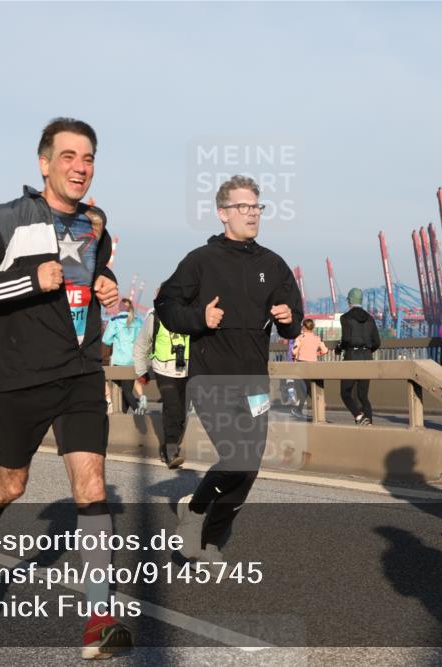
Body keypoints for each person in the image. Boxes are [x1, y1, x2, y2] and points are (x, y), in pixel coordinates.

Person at [0, 117, 130, 658]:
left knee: (92, 487)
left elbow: (88, 285)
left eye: (89, 157)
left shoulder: (96, 226)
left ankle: (100, 616)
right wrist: (29, 279)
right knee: (11, 484)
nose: (81, 167)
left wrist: (106, 287)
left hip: (80, 373)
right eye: (69, 156)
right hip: (20, 377)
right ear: (44, 162)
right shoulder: (0, 220)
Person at [156, 174, 303, 565]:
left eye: (256, 206)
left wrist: (288, 319)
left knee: (249, 467)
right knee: (235, 457)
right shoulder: (200, 262)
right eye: (243, 207)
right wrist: (198, 317)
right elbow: (166, 306)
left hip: (254, 382)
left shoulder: (273, 264)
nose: (252, 214)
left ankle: (210, 539)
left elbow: (292, 317)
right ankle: (197, 511)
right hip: (210, 378)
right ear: (222, 213)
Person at [133, 307, 189, 468]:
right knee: (173, 407)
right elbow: (141, 345)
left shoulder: (189, 314)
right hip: (163, 370)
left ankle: (168, 447)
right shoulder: (155, 317)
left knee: (182, 411)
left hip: (187, 370)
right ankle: (171, 452)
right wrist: (141, 370)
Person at [336, 288, 381, 426]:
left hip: (351, 356)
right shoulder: (370, 318)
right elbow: (377, 342)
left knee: (345, 392)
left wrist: (339, 348)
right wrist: (367, 351)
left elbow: (346, 339)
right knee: (363, 395)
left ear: (349, 300)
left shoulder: (345, 318)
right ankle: (370, 423)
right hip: (367, 357)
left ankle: (359, 416)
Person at [102, 298, 144, 414]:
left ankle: (138, 410)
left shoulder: (114, 321)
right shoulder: (139, 321)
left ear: (120, 307)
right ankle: (124, 416)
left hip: (119, 361)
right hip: (133, 360)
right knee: (127, 391)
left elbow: (106, 340)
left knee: (123, 391)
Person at [290, 318, 328, 418]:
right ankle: (320, 404)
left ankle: (298, 410)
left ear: (303, 326)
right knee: (311, 387)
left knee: (303, 389)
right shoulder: (317, 338)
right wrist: (316, 353)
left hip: (301, 365)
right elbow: (325, 351)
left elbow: (294, 352)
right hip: (314, 365)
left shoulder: (300, 337)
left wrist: (295, 356)